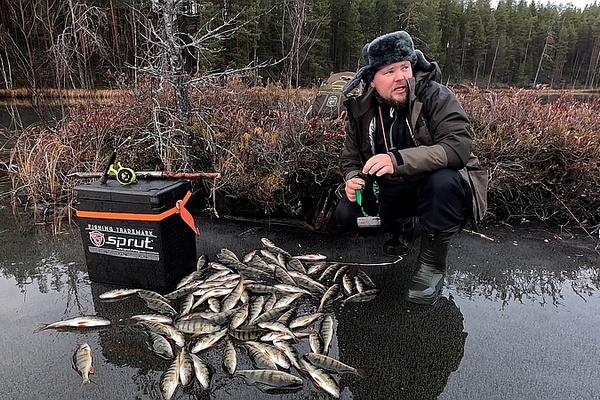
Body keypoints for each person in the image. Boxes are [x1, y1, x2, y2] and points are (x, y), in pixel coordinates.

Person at [335, 30, 487, 305]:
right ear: (372, 80)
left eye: (405, 67)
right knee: (348, 213)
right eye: (389, 71)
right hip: (392, 189)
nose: (401, 77)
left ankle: (432, 265)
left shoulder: (435, 96)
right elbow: (350, 159)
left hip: (431, 187)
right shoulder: (360, 110)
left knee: (445, 181)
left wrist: (397, 160)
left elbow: (457, 148)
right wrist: (353, 178)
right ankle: (403, 227)